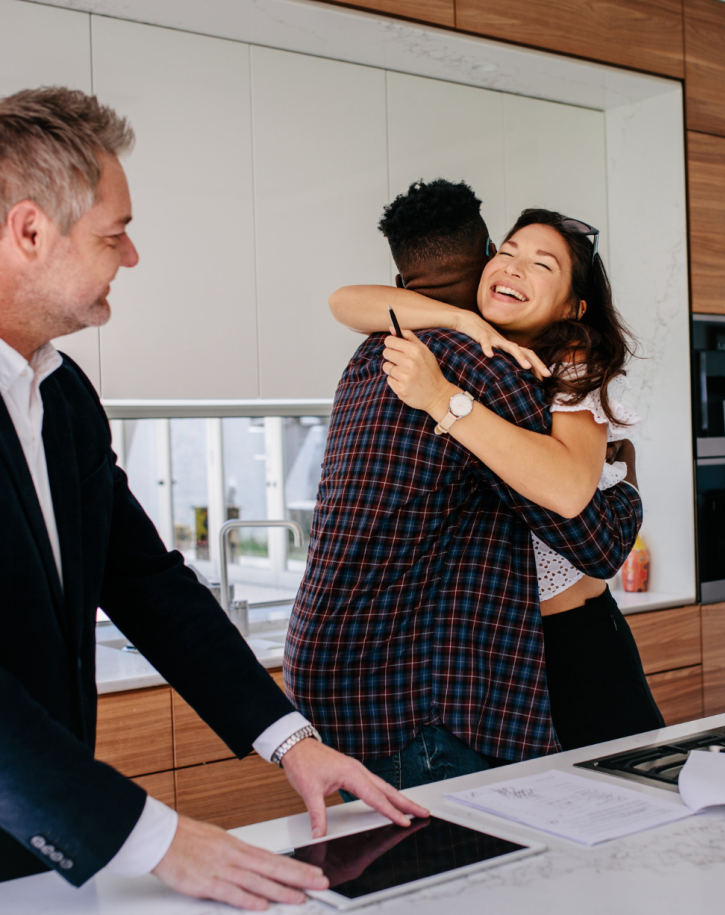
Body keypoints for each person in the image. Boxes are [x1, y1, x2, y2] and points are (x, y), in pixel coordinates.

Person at [0, 87, 426, 907]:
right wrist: (155, 836)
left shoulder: (63, 399)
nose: (131, 258)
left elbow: (147, 583)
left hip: (39, 861)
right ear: (28, 231)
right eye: (114, 234)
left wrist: (291, 740)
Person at [285, 180, 644, 792]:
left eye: (541, 264)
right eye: (507, 251)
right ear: (483, 257)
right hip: (418, 700)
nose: (513, 267)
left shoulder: (379, 352)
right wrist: (625, 488)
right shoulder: (488, 370)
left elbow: (346, 302)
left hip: (332, 678)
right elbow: (600, 541)